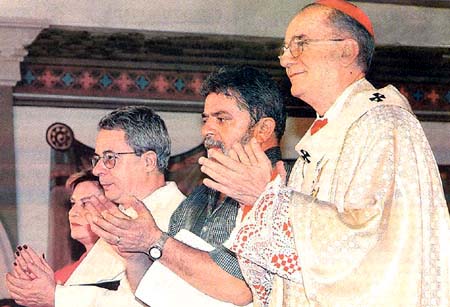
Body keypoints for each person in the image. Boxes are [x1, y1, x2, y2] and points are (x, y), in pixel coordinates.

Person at [199, 1, 450, 306]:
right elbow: (291, 269)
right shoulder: (320, 138)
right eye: (285, 49)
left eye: (300, 44)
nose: (286, 60)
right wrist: (260, 203)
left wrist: (266, 197)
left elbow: (372, 249)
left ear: (347, 50)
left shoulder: (384, 124)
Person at [87, 65, 287, 306]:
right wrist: (134, 256)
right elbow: (160, 295)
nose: (207, 130)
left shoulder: (286, 191)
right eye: (205, 119)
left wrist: (154, 241)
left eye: (221, 119)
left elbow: (241, 288)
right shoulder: (201, 196)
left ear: (263, 129)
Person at [6, 106, 185, 307]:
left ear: (148, 161)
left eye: (110, 158)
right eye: (98, 159)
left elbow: (147, 302)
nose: (98, 169)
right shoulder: (123, 216)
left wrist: (56, 296)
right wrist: (51, 287)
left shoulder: (180, 220)